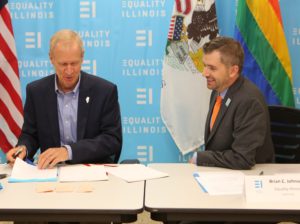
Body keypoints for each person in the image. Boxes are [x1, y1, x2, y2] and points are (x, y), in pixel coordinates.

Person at [6, 29, 122, 169]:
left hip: (93, 170)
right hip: (52, 172)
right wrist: (24, 149)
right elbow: (31, 134)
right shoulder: (36, 92)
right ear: (51, 58)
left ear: (82, 57)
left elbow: (112, 140)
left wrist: (68, 151)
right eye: (63, 64)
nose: (69, 71)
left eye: (74, 63)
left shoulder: (104, 91)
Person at [190, 36, 274, 169]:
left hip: (250, 181)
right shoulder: (218, 89)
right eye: (205, 66)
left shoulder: (249, 101)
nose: (204, 73)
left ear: (233, 71)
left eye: (212, 68)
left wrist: (200, 157)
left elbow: (242, 158)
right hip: (222, 175)